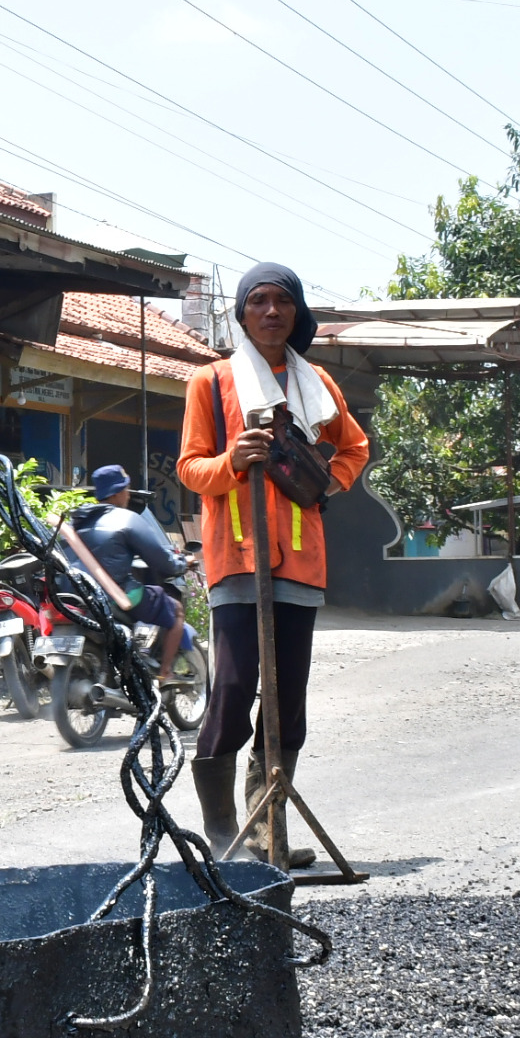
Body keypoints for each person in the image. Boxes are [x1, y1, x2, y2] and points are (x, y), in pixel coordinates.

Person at [175, 263, 369, 863]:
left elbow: (355, 448)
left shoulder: (319, 386)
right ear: (241, 313)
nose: (269, 311)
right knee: (233, 690)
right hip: (236, 559)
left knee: (288, 701)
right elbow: (190, 469)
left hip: (301, 562)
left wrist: (324, 484)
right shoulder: (210, 383)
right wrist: (233, 458)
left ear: (297, 312)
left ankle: (268, 833)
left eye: (281, 301)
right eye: (256, 301)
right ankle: (223, 835)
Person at [66, 464, 201, 675]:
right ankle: (165, 673)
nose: (128, 495)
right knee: (175, 610)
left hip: (79, 595)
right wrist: (184, 564)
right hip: (118, 595)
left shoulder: (79, 522)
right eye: (127, 490)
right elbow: (162, 561)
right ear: (119, 492)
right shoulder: (126, 519)